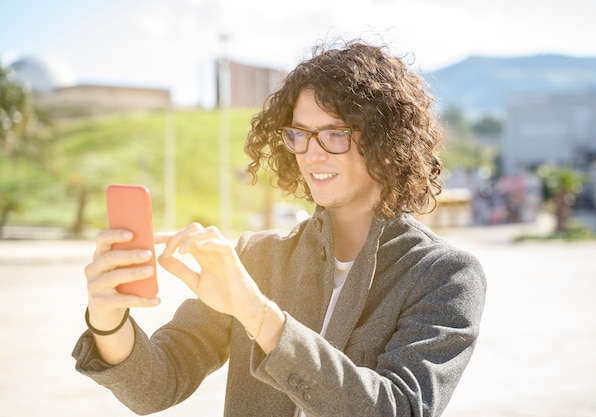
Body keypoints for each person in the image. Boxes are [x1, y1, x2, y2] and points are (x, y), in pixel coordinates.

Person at [73, 39, 486, 417]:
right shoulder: (256, 257)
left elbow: (396, 409)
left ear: (386, 139)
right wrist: (108, 320)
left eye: (334, 135)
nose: (311, 154)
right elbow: (155, 388)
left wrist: (257, 314)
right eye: (300, 135)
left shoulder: (445, 275)